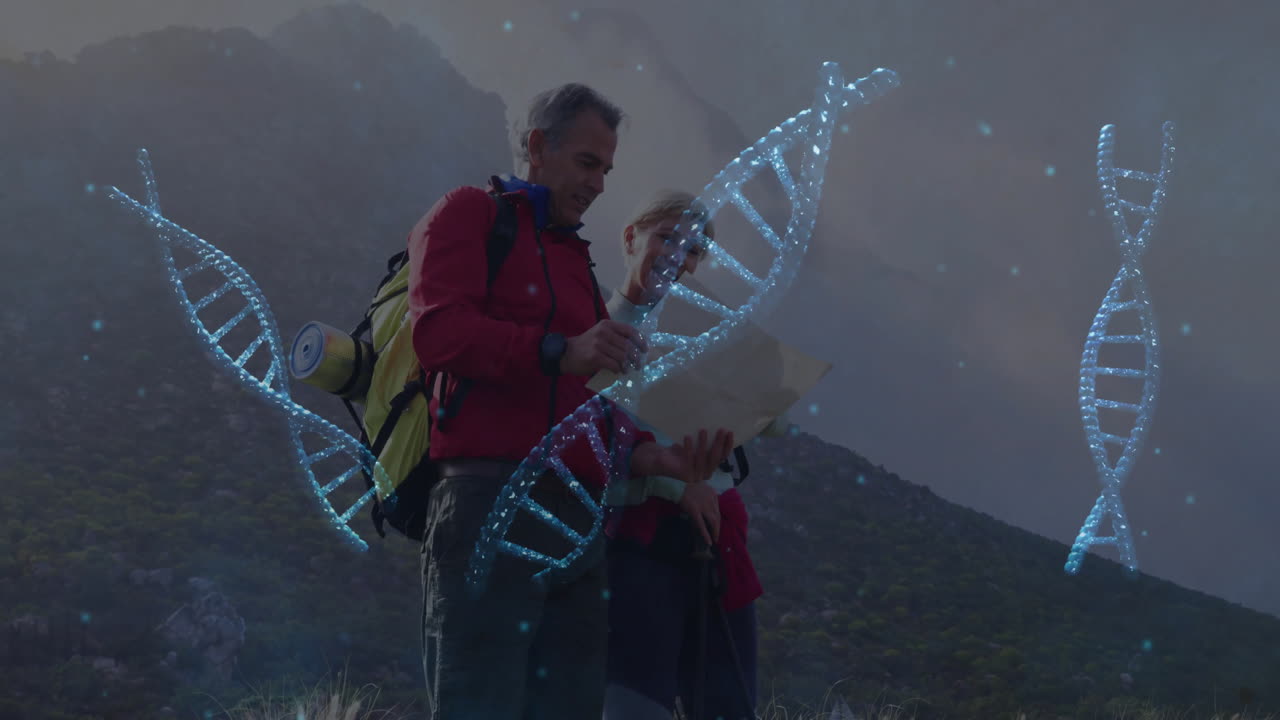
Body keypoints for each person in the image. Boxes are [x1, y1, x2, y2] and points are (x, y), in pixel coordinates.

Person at [406, 86, 734, 720]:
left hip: (577, 525)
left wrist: (654, 460)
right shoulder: (470, 213)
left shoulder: (576, 261)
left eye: (607, 170)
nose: (600, 185)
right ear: (537, 147)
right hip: (488, 506)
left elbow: (586, 407)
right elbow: (437, 334)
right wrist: (559, 349)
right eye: (588, 163)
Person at [603, 190, 779, 720]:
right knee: (636, 706)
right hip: (634, 548)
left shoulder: (712, 331)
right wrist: (677, 485)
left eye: (696, 248)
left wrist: (763, 395)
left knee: (728, 707)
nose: (681, 255)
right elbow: (583, 443)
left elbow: (770, 420)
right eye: (668, 238)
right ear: (631, 237)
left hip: (716, 540)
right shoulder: (593, 329)